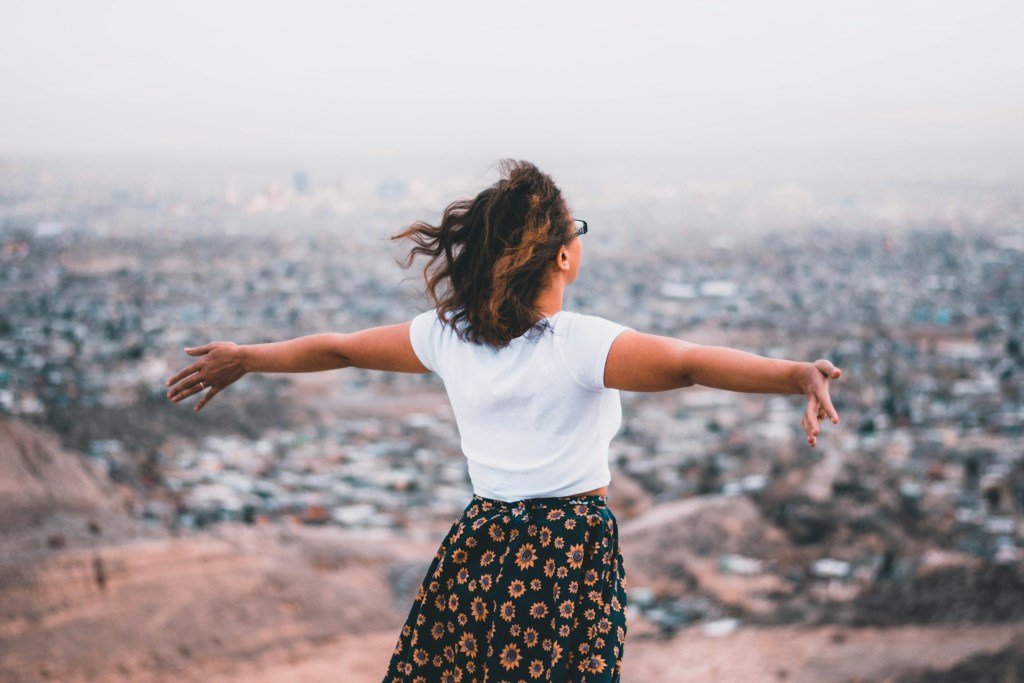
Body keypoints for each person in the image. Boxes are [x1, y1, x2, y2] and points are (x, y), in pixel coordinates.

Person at [164, 159, 842, 681]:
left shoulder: (448, 335)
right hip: (565, 556)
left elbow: (341, 347)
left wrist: (248, 356)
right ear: (564, 256)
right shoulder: (575, 343)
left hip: (480, 546)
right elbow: (689, 363)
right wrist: (793, 373)